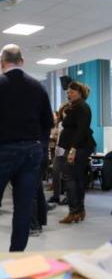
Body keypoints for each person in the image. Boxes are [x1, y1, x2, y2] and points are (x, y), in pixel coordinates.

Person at [0, 44, 53, 253]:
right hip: (31, 152)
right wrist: (40, 145)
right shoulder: (38, 86)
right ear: (22, 61)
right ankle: (17, 253)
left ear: (1, 63)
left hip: (3, 151)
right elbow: (48, 121)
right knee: (23, 205)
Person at [58, 81, 96, 224]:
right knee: (76, 179)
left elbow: (80, 131)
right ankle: (78, 210)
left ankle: (74, 211)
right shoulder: (75, 107)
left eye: (72, 92)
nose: (69, 94)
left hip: (78, 148)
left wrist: (73, 150)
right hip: (77, 147)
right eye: (68, 92)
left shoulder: (82, 107)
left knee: (70, 178)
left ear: (79, 93)